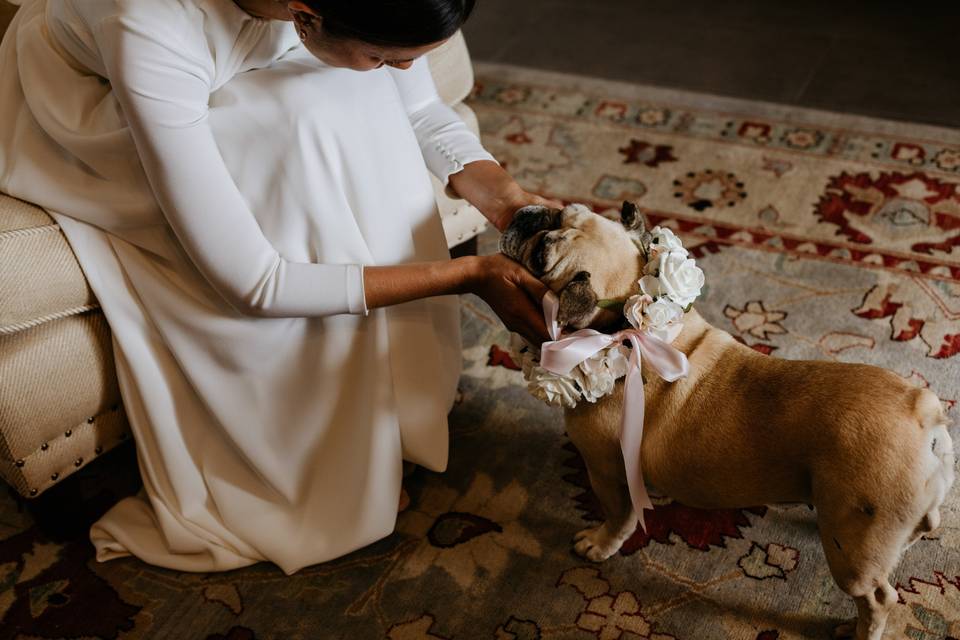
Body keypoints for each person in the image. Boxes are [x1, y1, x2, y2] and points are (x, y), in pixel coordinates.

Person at [0, 0, 554, 574]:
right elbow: (255, 283)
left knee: (355, 98)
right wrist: (466, 276)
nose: (405, 72)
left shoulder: (324, 13)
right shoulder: (148, 24)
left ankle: (389, 412)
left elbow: (416, 109)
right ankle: (302, 461)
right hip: (96, 96)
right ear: (304, 15)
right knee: (284, 160)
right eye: (387, 58)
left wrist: (508, 200)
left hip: (232, 54)